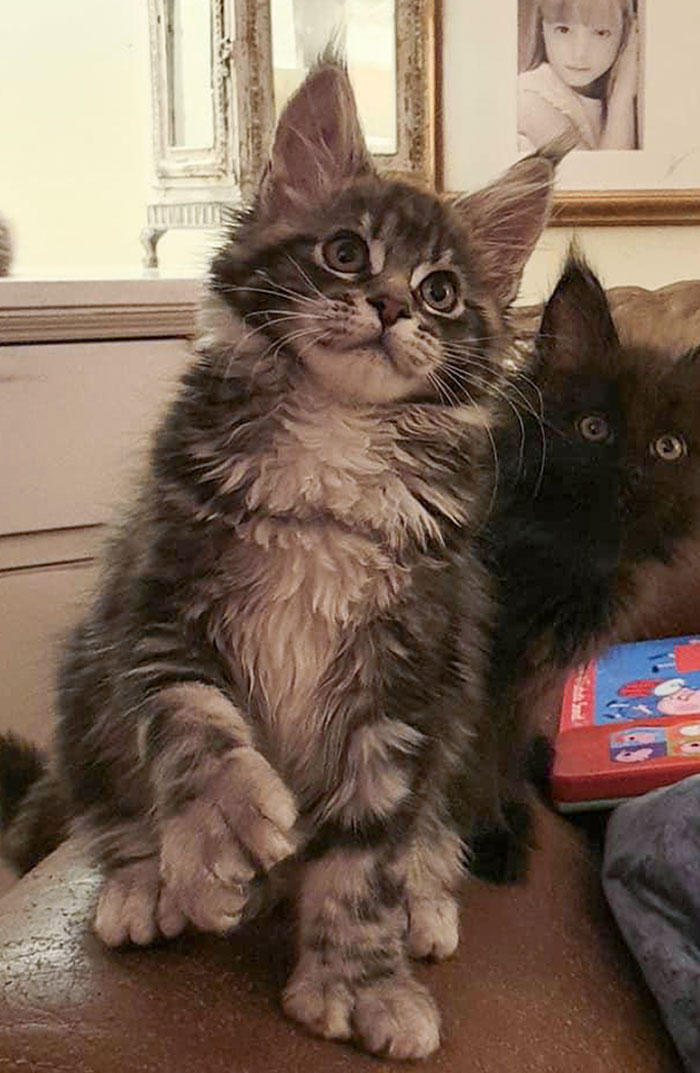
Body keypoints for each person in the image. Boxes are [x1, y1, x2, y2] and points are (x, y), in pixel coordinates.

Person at [517, 0, 640, 152]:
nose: (579, 54)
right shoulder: (528, 98)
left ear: (626, 35)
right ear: (541, 29)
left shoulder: (600, 95)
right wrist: (623, 92)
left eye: (601, 33)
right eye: (563, 30)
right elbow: (606, 173)